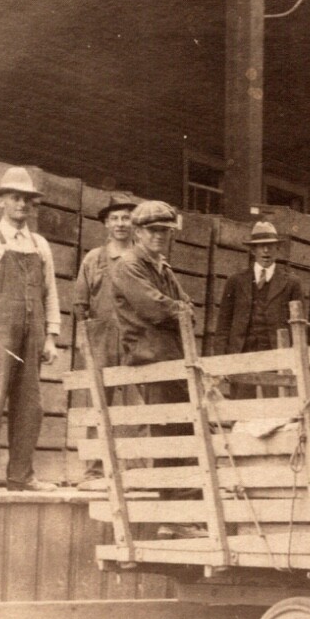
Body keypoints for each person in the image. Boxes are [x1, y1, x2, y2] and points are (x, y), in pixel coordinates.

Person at [0, 166, 61, 492]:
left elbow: (50, 293)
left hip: (32, 334)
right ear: (1, 201)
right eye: (15, 198)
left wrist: (51, 336)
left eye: (27, 199)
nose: (22, 205)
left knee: (29, 405)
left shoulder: (40, 244)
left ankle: (22, 474)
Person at [109, 200, 201, 531]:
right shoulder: (128, 266)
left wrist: (179, 308)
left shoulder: (163, 268)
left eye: (165, 231)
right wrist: (179, 309)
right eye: (153, 231)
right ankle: (171, 517)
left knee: (184, 432)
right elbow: (155, 309)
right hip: (151, 359)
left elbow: (188, 307)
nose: (160, 237)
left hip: (172, 357)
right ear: (137, 232)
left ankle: (179, 516)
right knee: (168, 434)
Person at [73, 192, 139, 490]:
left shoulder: (144, 258)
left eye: (126, 217)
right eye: (115, 218)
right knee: (98, 400)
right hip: (100, 337)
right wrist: (85, 337)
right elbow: (79, 303)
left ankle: (135, 470)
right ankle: (95, 470)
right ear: (105, 224)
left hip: (136, 338)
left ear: (134, 223)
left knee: (135, 401)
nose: (121, 223)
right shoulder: (93, 259)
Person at [210, 221, 306, 396]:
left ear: (277, 249)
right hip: (242, 355)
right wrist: (220, 360)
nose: (266, 251)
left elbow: (299, 328)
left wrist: (294, 361)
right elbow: (223, 325)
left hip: (276, 356)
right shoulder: (236, 281)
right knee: (242, 410)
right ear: (253, 250)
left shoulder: (292, 283)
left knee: (277, 408)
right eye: (261, 247)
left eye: (270, 246)